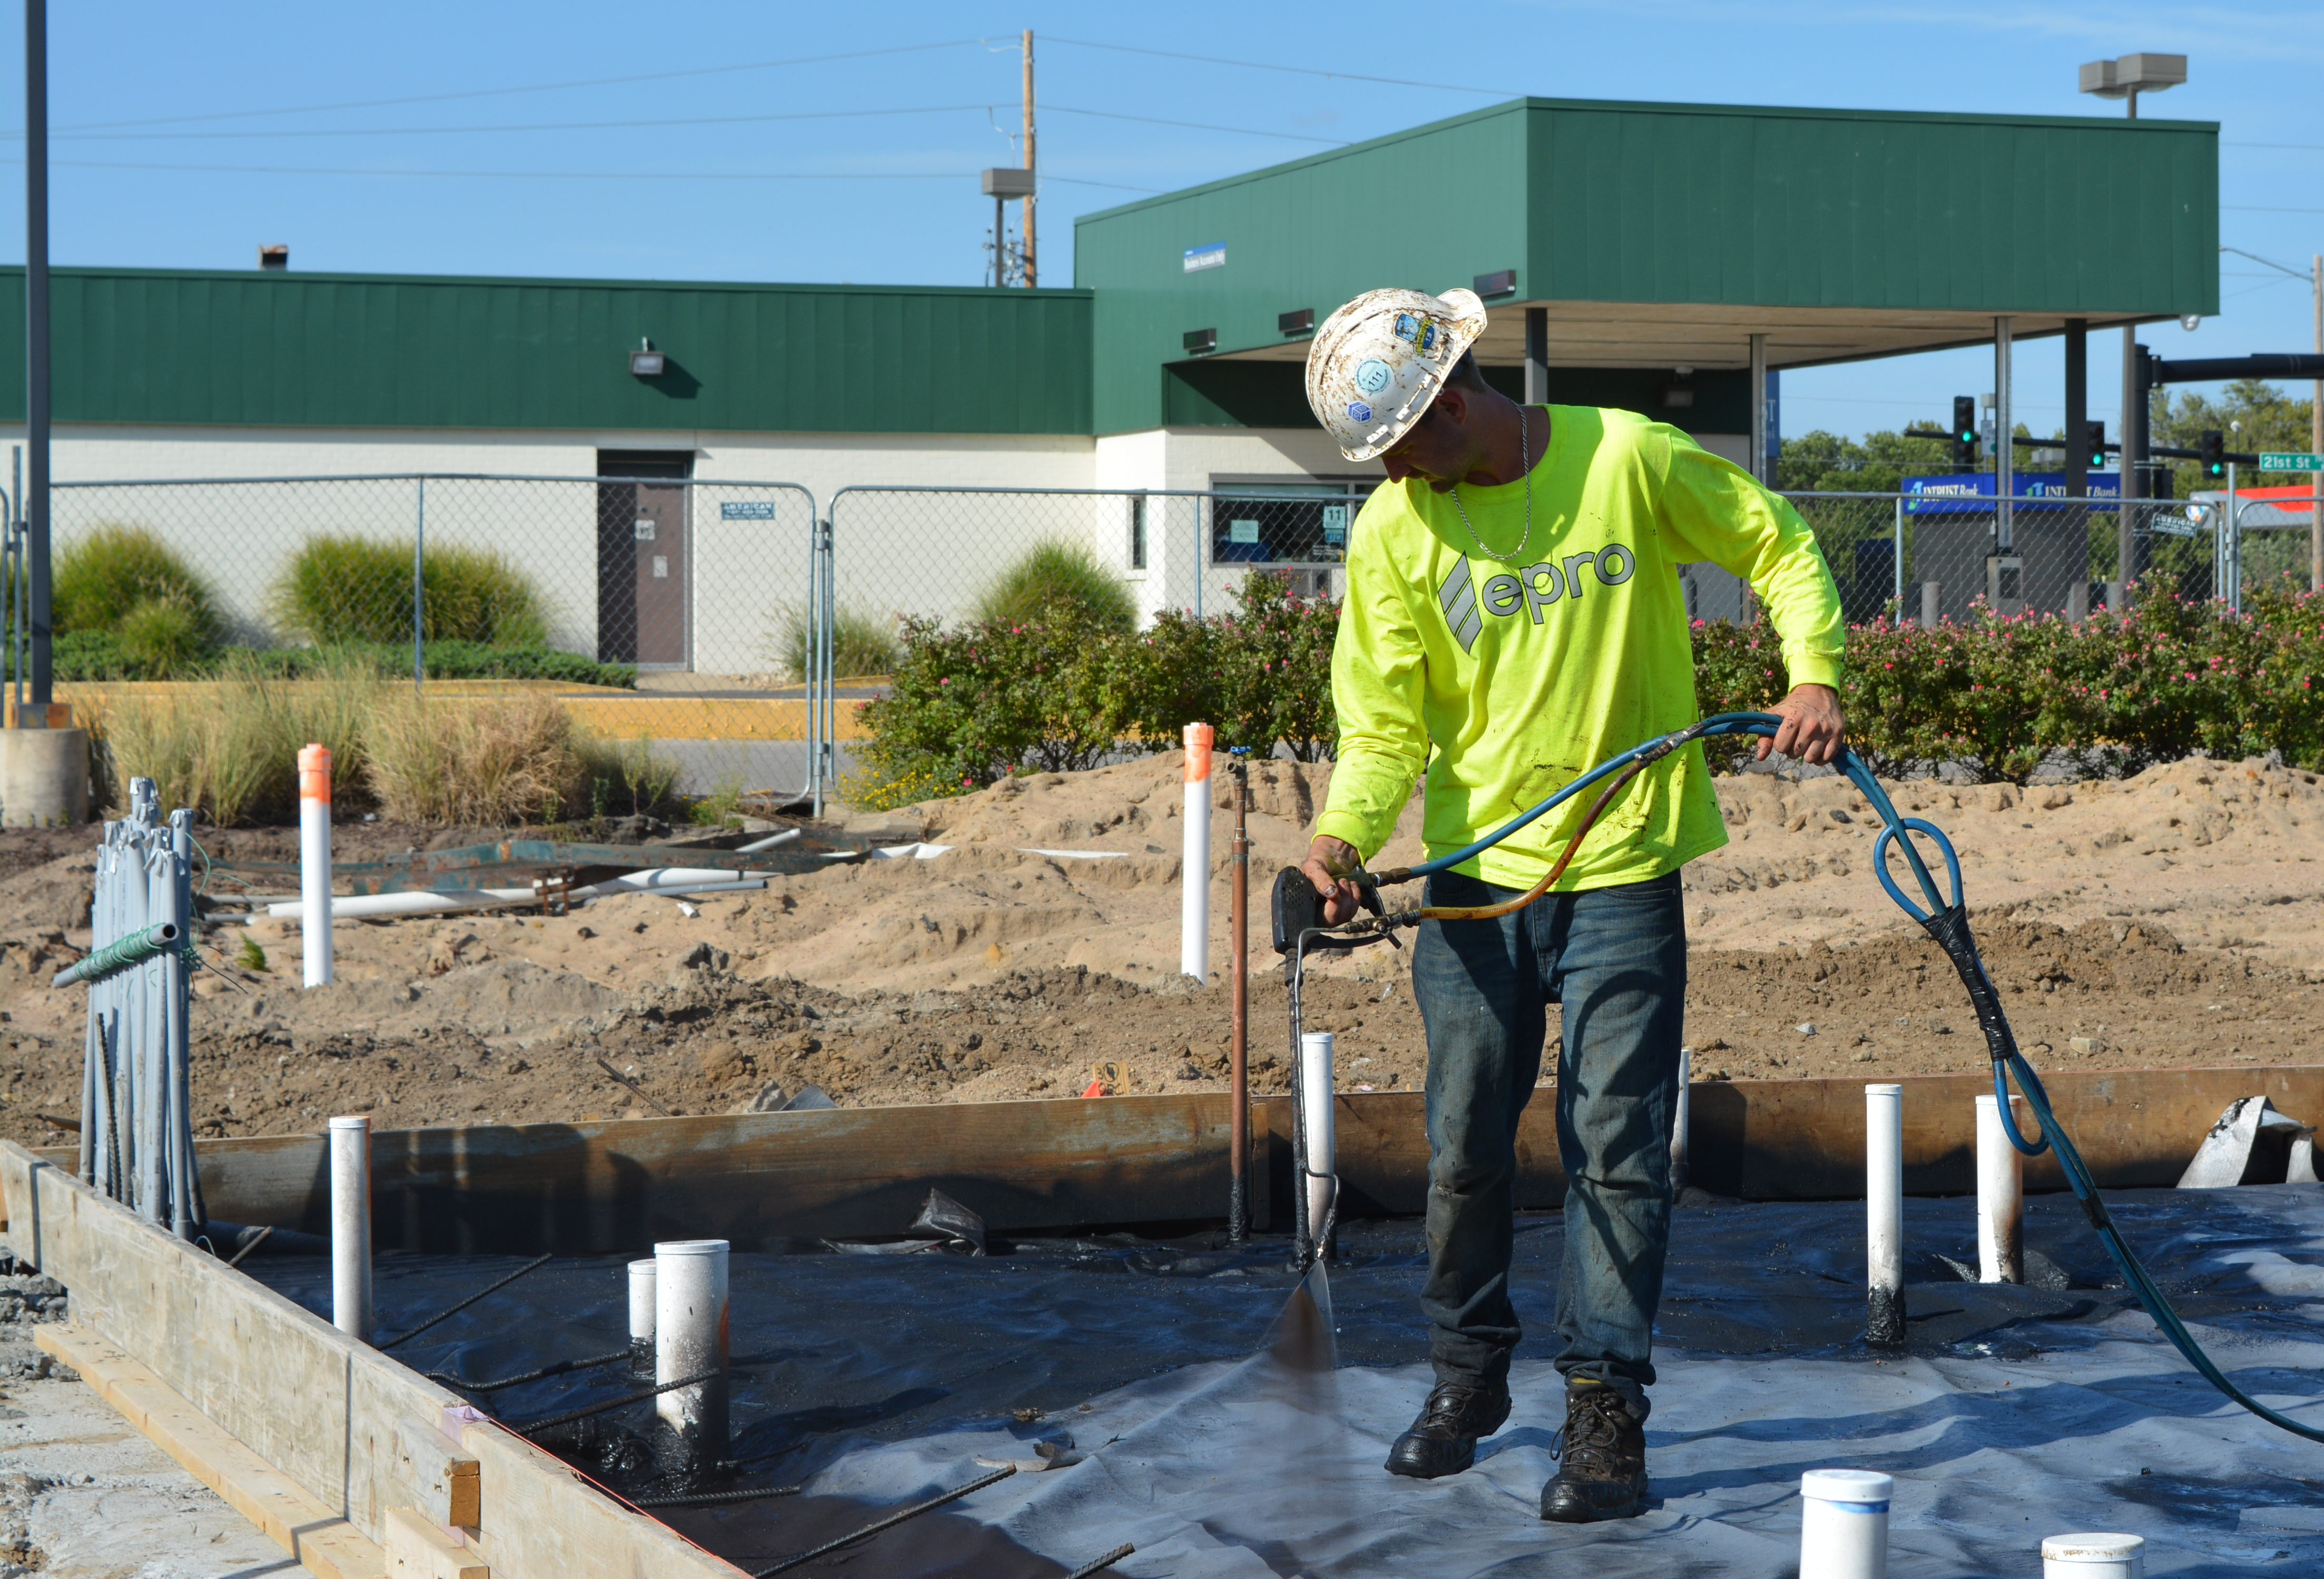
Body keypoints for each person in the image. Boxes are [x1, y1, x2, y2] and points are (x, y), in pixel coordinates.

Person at [1299, 287, 1844, 1523]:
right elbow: (1384, 723)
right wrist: (1342, 833)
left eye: (1402, 443)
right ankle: (1466, 1378)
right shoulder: (1394, 534)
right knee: (1465, 1144)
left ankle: (1605, 1412)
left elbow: (1776, 542)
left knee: (1616, 1145)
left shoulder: (1626, 459)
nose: (1393, 472)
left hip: (1624, 868)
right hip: (1477, 883)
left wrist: (1812, 671)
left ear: (1452, 396)